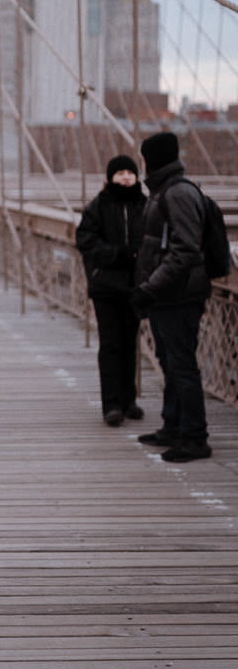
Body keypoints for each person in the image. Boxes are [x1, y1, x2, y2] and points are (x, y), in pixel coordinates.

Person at [131, 131, 213, 463]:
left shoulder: (177, 193)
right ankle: (172, 426)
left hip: (178, 295)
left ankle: (194, 437)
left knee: (182, 366)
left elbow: (185, 250)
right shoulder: (163, 191)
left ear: (152, 159)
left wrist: (150, 287)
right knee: (170, 362)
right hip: (167, 294)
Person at [75, 154, 146, 426]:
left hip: (136, 285)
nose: (126, 177)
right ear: (110, 178)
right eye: (120, 173)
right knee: (110, 345)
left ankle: (130, 401)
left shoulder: (145, 205)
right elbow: (86, 241)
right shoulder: (97, 207)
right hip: (106, 286)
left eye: (130, 172)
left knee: (130, 343)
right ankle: (111, 404)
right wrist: (121, 255)